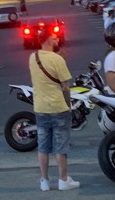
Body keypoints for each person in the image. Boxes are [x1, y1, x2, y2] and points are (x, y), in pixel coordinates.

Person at [28, 27, 80, 191]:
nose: (58, 40)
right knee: (61, 146)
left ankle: (44, 181)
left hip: (40, 108)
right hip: (58, 107)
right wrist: (69, 106)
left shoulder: (32, 57)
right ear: (49, 40)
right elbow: (65, 87)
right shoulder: (58, 59)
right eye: (55, 38)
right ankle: (63, 180)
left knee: (43, 146)